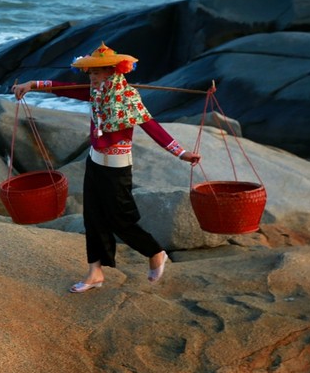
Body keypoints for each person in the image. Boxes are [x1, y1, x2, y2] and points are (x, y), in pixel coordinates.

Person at [12, 42, 201, 293]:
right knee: (93, 217)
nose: (91, 77)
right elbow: (64, 89)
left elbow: (152, 126)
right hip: (95, 161)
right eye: (89, 73)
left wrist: (181, 153)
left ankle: (155, 252)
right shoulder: (95, 92)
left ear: (112, 71)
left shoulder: (128, 98)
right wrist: (32, 85)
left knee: (120, 218)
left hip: (117, 167)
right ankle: (95, 272)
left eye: (96, 72)